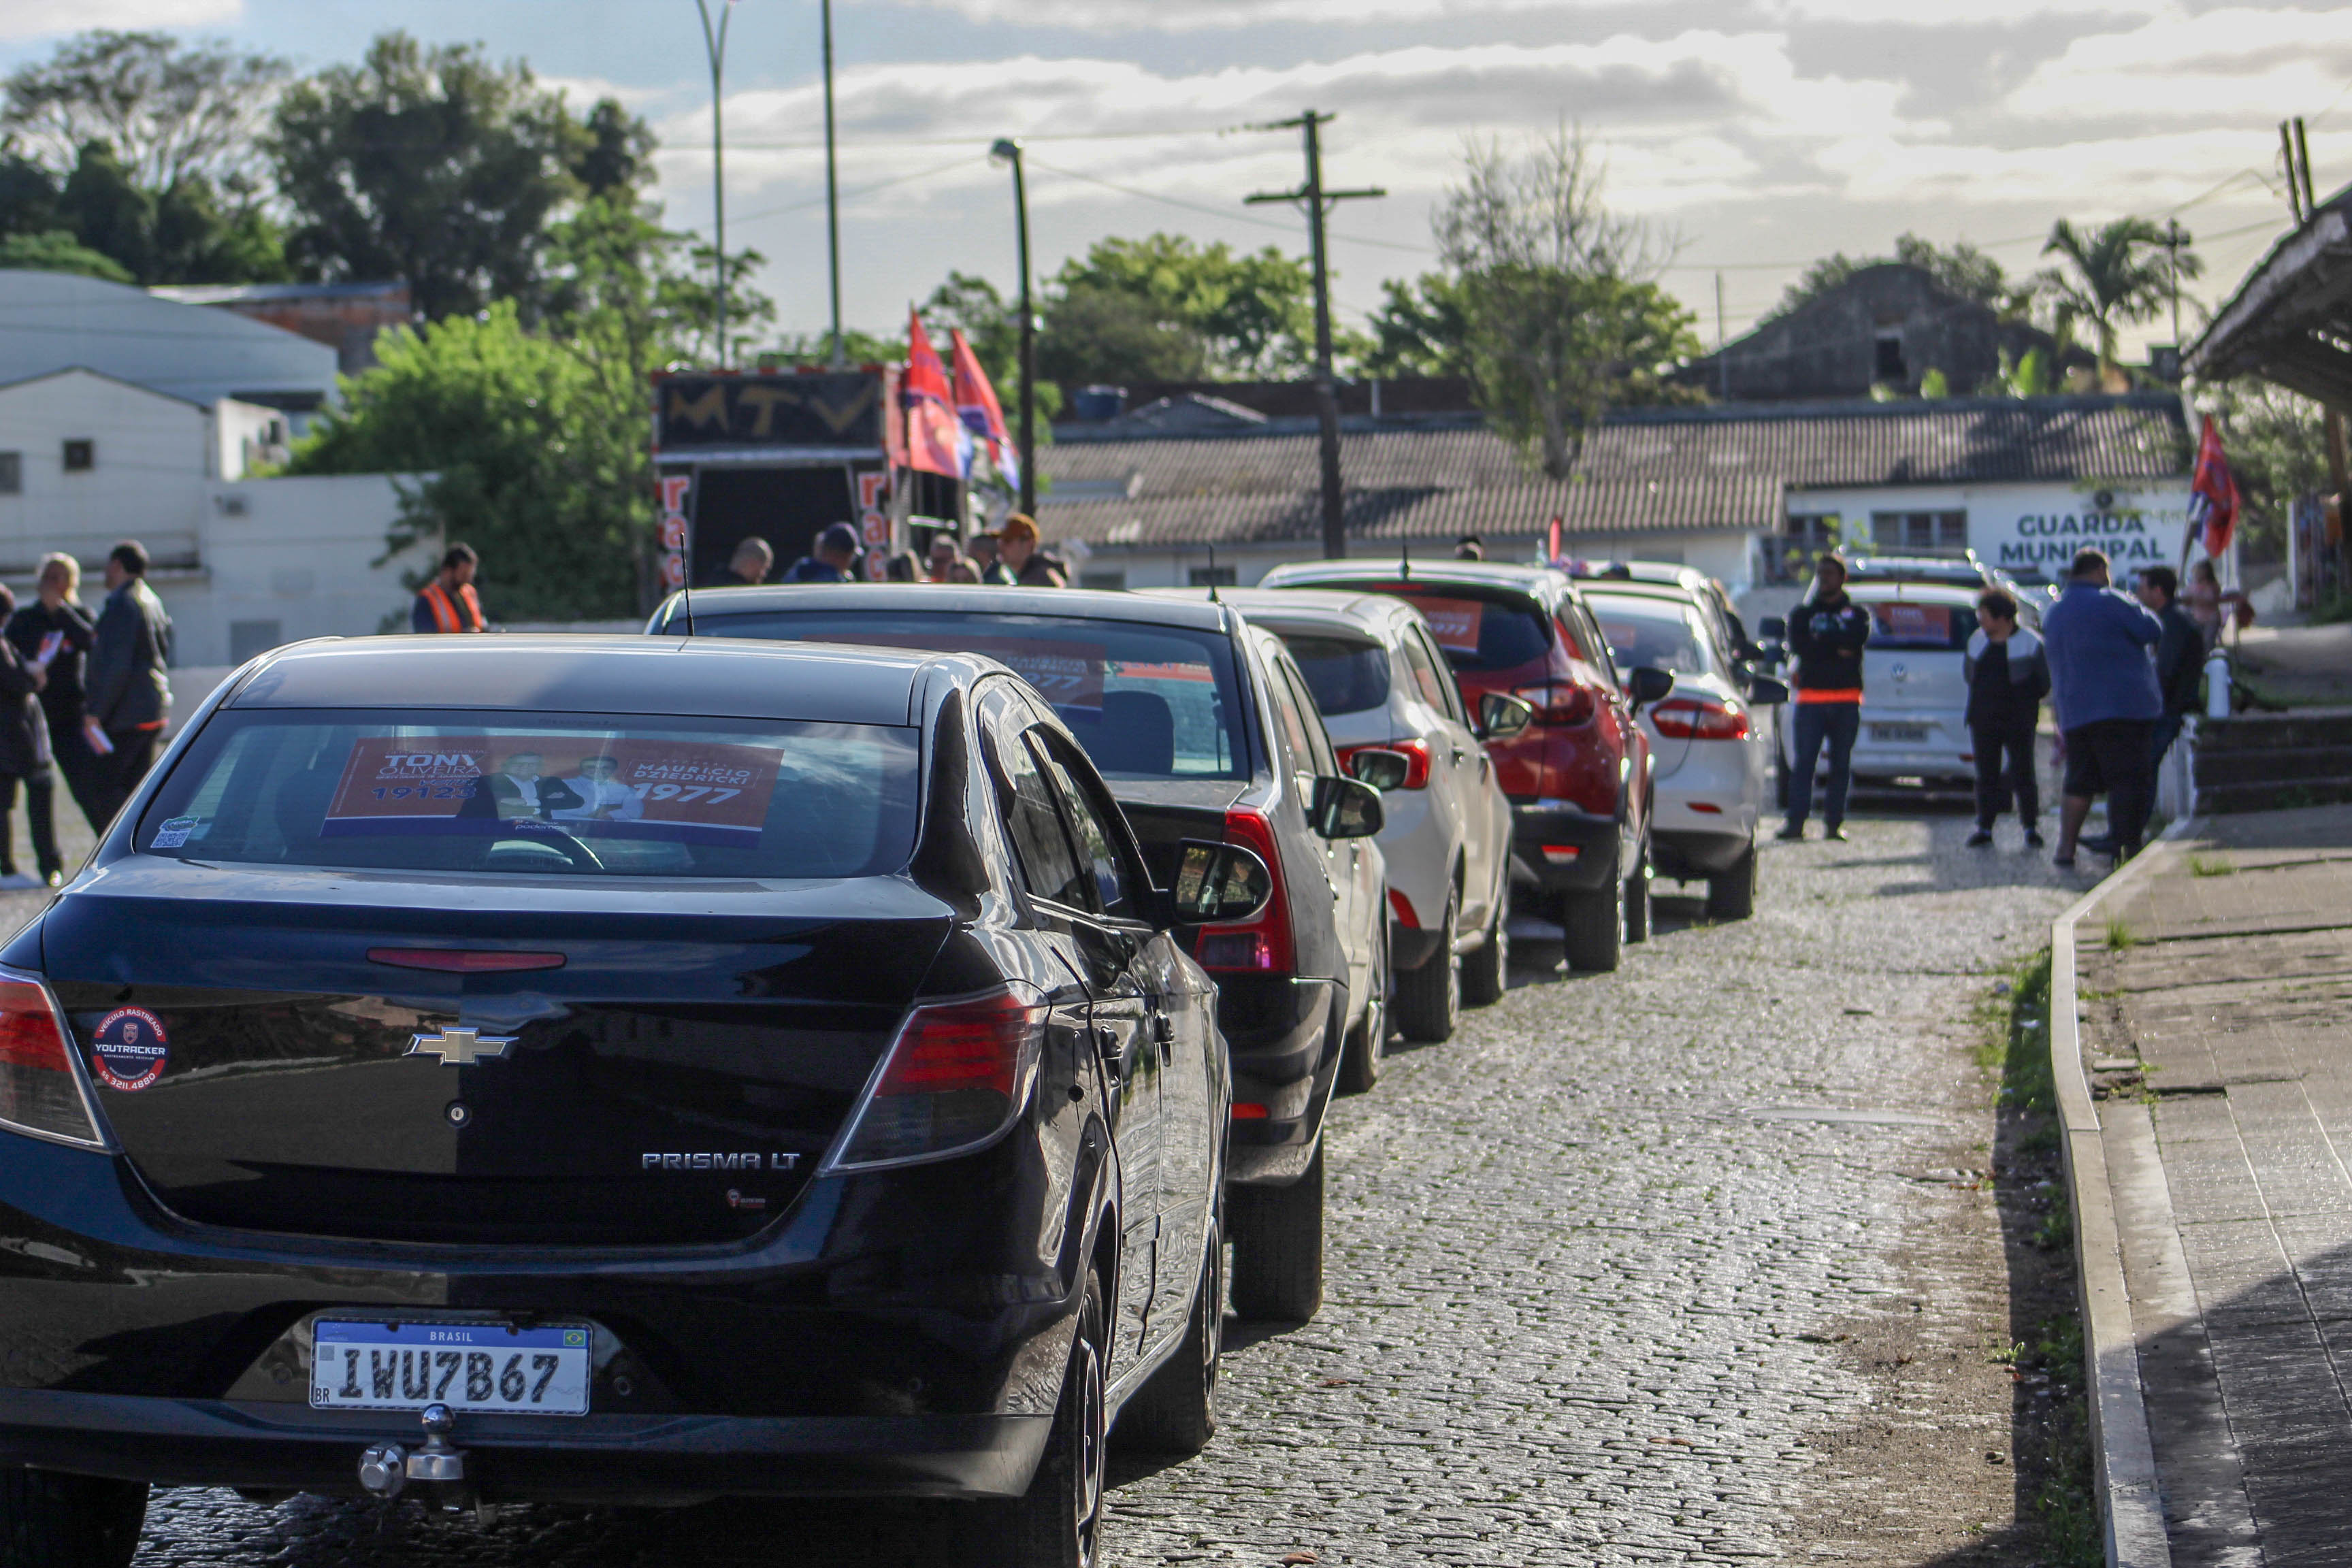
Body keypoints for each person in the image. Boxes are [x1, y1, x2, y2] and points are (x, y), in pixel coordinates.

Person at [2042, 548, 2163, 868]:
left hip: (2076, 713)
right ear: (2098, 571)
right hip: (2123, 710)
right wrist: (2134, 601)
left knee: (2079, 780)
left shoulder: (2055, 612)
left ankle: (2065, 849)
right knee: (2126, 780)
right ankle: (2125, 847)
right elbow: (2152, 630)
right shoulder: (2111, 601)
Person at [1777, 552, 1872, 843]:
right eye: (1820, 574)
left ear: (1842, 578)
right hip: (1810, 701)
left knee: (1841, 765)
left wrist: (1824, 645)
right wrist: (1835, 649)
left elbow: (1856, 641)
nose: (1823, 579)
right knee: (1804, 764)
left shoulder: (1858, 614)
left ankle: (1834, 824)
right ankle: (1796, 823)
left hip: (1846, 701)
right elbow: (1801, 647)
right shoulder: (1802, 615)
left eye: (1829, 574)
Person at [6, 553, 100, 843]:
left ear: (71, 582)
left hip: (71, 715)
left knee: (88, 788)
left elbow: (93, 643)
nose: (51, 583)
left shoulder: (79, 615)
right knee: (40, 791)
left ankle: (109, 847)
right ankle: (49, 864)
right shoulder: (24, 619)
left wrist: (61, 612)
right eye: (47, 577)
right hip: (33, 718)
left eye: (58, 577)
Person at [83, 540, 172, 828]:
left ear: (118, 565)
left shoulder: (123, 603)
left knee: (102, 787)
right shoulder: (151, 598)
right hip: (151, 708)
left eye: (108, 566)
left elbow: (117, 664)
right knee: (139, 790)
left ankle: (118, 848)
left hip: (127, 713)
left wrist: (97, 710)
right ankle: (140, 842)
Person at [1962, 588, 2049, 850]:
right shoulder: (1977, 641)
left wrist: (2025, 700)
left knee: (2024, 772)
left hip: (2019, 719)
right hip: (1984, 717)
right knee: (1985, 774)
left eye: (1985, 615)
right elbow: (1969, 675)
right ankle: (1985, 827)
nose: (1981, 621)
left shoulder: (2031, 643)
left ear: (2003, 618)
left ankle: (2030, 827)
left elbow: (2044, 682)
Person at [0, 584, 56, 889]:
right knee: (29, 797)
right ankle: (9, 868)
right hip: (12, 738)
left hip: (10, 738)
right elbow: (15, 682)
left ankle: (9, 866)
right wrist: (34, 675)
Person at [457, 752, 584, 821]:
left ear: (540, 768)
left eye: (531, 765)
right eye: (518, 763)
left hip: (543, 832)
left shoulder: (552, 782)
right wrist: (547, 803)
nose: (524, 767)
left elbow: (576, 801)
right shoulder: (484, 781)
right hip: (493, 832)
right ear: (504, 766)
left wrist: (526, 802)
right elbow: (487, 806)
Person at [412, 542, 487, 633]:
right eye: (464, 575)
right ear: (448, 571)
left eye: (469, 575)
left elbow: (483, 624)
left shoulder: (470, 592)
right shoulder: (427, 599)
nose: (468, 580)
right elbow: (426, 638)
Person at [550, 754, 642, 823]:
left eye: (605, 768)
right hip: (567, 832)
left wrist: (610, 815)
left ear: (614, 771)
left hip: (610, 834)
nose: (598, 770)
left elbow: (635, 813)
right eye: (591, 767)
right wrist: (595, 813)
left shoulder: (626, 790)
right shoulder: (563, 784)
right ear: (582, 769)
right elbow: (552, 807)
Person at [987, 514, 1067, 587]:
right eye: (1000, 541)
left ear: (1029, 544)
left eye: (1008, 540)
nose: (1001, 546)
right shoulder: (1024, 575)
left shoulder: (1040, 579)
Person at [783, 523, 862, 583]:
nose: (851, 562)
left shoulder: (801, 569)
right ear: (836, 554)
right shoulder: (830, 578)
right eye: (851, 556)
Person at [707, 537, 774, 588]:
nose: (764, 575)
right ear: (752, 563)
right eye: (765, 568)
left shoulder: (709, 586)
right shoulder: (743, 594)